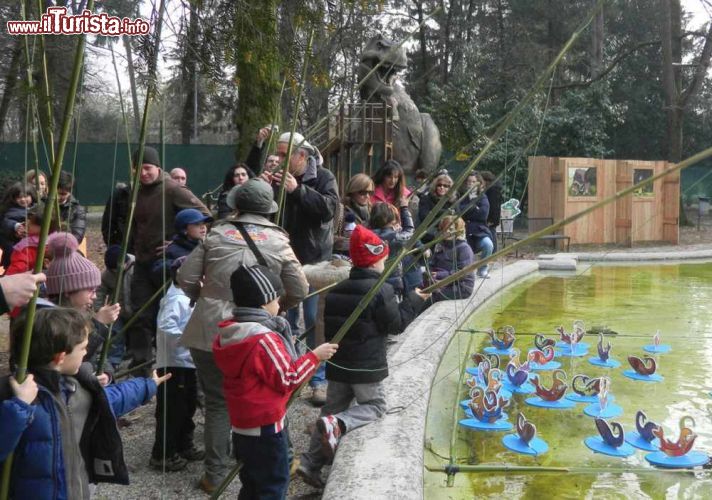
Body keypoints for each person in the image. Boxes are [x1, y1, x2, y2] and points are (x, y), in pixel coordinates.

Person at [178, 178, 308, 493]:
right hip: (259, 332)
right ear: (269, 209)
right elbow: (300, 288)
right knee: (272, 395)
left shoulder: (217, 234)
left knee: (217, 403)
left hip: (211, 329)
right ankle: (284, 459)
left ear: (236, 205)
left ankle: (216, 474)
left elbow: (185, 277)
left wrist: (203, 297)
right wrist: (277, 308)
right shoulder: (278, 240)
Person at [297, 225, 429, 489]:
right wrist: (413, 300)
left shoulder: (337, 288)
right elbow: (396, 324)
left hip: (338, 364)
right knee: (375, 407)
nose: (384, 262)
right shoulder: (381, 290)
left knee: (330, 408)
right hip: (366, 368)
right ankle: (340, 424)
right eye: (382, 258)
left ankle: (309, 464)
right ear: (374, 258)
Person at [0, 307, 170, 500]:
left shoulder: (76, 386)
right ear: (60, 357)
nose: (86, 352)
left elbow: (111, 399)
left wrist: (147, 385)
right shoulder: (12, 396)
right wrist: (19, 407)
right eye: (83, 348)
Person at [214, 264, 338, 499]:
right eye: (277, 299)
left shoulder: (231, 331)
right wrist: (315, 356)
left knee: (252, 484)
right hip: (266, 429)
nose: (280, 304)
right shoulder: (264, 338)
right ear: (264, 302)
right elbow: (289, 378)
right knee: (273, 484)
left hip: (242, 426)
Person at [264, 131, 339, 406]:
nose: (280, 160)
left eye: (285, 155)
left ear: (301, 156)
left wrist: (299, 191)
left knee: (314, 320)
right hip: (282, 258)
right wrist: (265, 189)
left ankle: (319, 379)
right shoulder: (276, 177)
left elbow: (329, 210)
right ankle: (289, 371)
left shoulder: (324, 177)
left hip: (314, 260)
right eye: (278, 154)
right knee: (283, 317)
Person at [128, 146, 209, 373]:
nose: (143, 173)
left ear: (158, 167)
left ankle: (179, 366)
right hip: (142, 262)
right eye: (138, 169)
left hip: (169, 263)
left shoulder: (172, 189)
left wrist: (178, 240)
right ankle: (141, 369)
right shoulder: (135, 191)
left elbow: (204, 215)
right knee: (140, 314)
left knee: (173, 316)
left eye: (147, 168)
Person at [150, 257, 203, 472]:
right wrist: (189, 339)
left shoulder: (189, 297)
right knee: (172, 410)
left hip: (187, 362)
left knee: (188, 406)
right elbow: (165, 327)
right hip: (174, 364)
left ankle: (183, 444)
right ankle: (163, 453)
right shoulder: (175, 299)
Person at [44, 232, 121, 376]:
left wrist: (106, 374)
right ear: (68, 291)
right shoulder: (49, 323)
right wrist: (98, 323)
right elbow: (72, 358)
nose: (95, 296)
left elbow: (98, 357)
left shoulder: (84, 313)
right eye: (90, 290)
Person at [95, 245, 135, 369]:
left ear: (125, 262)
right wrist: (98, 310)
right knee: (116, 334)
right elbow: (100, 292)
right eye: (111, 270)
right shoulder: (108, 274)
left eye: (116, 269)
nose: (114, 272)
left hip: (136, 308)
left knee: (135, 333)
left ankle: (133, 354)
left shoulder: (137, 268)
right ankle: (114, 360)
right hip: (119, 309)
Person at [151, 208, 213, 285]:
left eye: (203, 223)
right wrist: (177, 263)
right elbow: (157, 269)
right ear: (184, 230)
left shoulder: (210, 245)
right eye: (197, 224)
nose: (203, 227)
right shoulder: (173, 249)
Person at [368, 202, 415, 297]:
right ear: (392, 220)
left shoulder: (366, 235)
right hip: (392, 280)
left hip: (370, 281)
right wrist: (404, 209)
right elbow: (409, 231)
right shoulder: (394, 237)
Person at [428, 216, 475, 302]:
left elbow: (463, 272)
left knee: (431, 297)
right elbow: (432, 263)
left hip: (461, 286)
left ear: (458, 230)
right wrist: (430, 274)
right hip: (443, 282)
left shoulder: (464, 248)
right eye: (444, 229)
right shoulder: (440, 245)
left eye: (450, 229)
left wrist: (440, 275)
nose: (447, 232)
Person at [5, 202, 59, 276]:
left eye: (33, 223)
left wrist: (7, 280)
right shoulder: (55, 239)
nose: (27, 223)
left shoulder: (28, 248)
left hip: (25, 279)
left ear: (46, 226)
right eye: (28, 219)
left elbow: (18, 267)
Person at [460, 172, 494, 278]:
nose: (471, 184)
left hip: (479, 231)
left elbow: (483, 214)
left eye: (474, 182)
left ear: (479, 184)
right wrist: (474, 208)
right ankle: (464, 273)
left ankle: (482, 269)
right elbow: (459, 211)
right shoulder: (461, 197)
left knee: (488, 245)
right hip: (463, 232)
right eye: (469, 181)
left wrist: (469, 209)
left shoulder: (483, 197)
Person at [333, 173, 374, 256]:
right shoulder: (341, 210)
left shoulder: (372, 210)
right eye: (362, 192)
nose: (367, 196)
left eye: (370, 192)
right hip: (346, 259)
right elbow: (332, 239)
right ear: (352, 192)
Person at [0, 182, 37, 269]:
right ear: (14, 199)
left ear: (32, 196)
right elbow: (7, 221)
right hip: (16, 242)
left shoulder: (38, 207)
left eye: (26, 196)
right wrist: (16, 226)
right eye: (19, 197)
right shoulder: (12, 209)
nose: (23, 199)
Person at [418, 173, 457, 243]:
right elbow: (424, 217)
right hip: (428, 233)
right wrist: (446, 214)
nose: (442, 187)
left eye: (445, 186)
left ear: (450, 188)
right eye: (439, 185)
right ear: (435, 186)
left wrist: (433, 213)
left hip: (448, 233)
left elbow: (455, 218)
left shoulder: (453, 201)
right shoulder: (426, 198)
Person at [57, 171, 88, 244]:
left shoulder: (77, 210)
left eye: (63, 194)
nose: (58, 197)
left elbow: (76, 237)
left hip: (64, 249)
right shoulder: (42, 204)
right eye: (56, 193)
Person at [101, 182, 131, 247]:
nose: (143, 173)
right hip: (123, 247)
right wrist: (113, 246)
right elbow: (107, 223)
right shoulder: (118, 195)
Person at [481, 171, 503, 252]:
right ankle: (493, 251)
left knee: (491, 233)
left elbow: (493, 206)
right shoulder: (494, 189)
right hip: (493, 217)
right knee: (492, 233)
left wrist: (491, 219)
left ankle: (493, 252)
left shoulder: (492, 190)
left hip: (491, 217)